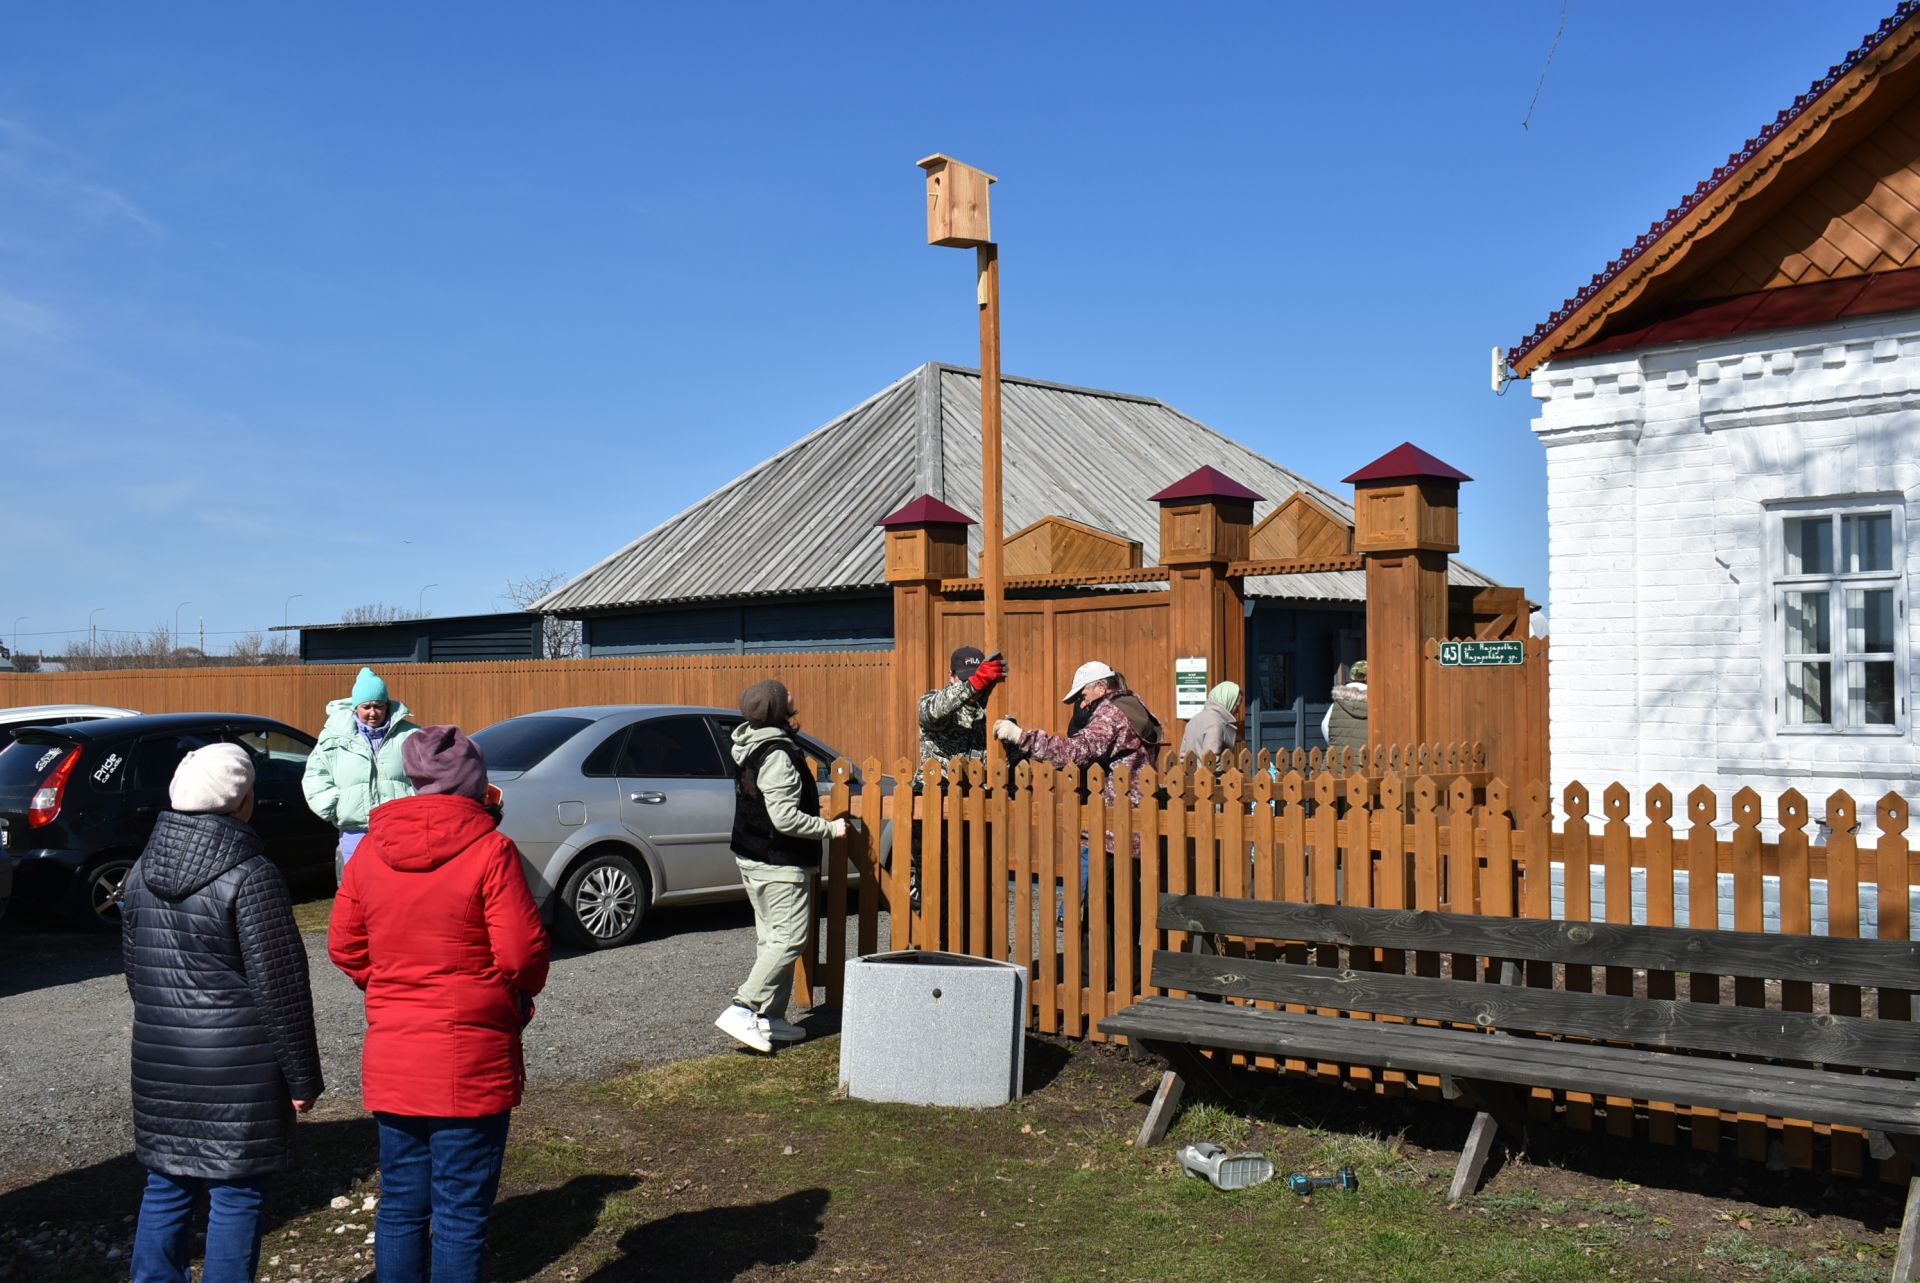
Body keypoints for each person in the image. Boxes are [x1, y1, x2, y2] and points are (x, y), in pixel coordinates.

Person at [328, 725, 550, 1283]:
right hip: (469, 1056)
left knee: (402, 1204)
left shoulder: (371, 850)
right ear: (476, 784)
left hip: (396, 1053)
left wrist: (386, 985)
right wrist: (511, 995)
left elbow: (344, 945)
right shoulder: (491, 849)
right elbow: (522, 953)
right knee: (460, 1213)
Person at [122, 743, 323, 1283]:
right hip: (239, 1066)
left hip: (161, 1057)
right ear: (241, 801)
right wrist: (303, 1077)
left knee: (166, 1185)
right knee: (236, 1194)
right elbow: (281, 988)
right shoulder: (252, 874)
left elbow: (136, 973)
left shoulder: (140, 870)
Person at [716, 679, 847, 1054]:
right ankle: (743, 1008)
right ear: (778, 709)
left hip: (755, 856)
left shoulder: (752, 743)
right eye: (786, 693)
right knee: (789, 939)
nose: (792, 694)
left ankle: (769, 1018)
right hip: (777, 860)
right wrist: (829, 828)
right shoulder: (776, 752)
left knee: (772, 940)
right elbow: (785, 818)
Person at [993, 661, 1163, 915]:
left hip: (1112, 834)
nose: (1082, 704)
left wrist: (1021, 736)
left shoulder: (1111, 714)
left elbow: (1074, 753)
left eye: (1084, 695)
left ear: (1101, 687)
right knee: (1128, 918)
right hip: (1132, 826)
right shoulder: (1132, 706)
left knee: (1102, 923)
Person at [303, 666, 421, 870]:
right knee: (358, 889)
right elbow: (315, 775)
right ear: (356, 707)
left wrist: (413, 800)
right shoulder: (333, 736)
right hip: (355, 832)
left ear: (387, 706)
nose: (373, 713)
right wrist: (335, 805)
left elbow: (426, 774)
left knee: (399, 888)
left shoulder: (410, 735)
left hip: (401, 828)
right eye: (366, 706)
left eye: (378, 706)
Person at [1179, 680, 1242, 766]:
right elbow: (1212, 763)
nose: (1238, 711)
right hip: (1210, 778)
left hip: (1192, 777)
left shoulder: (1193, 720)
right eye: (1236, 706)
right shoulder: (1215, 724)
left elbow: (1183, 757)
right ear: (1227, 700)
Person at [1320, 660, 1369, 751]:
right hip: (1367, 758)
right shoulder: (1375, 705)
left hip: (1340, 759)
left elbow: (1325, 727)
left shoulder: (1337, 703)